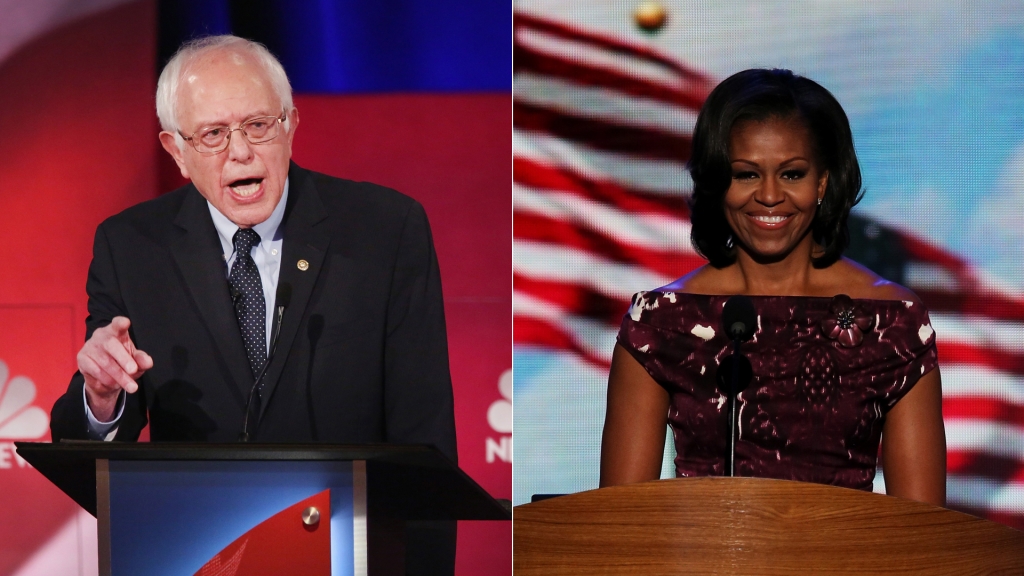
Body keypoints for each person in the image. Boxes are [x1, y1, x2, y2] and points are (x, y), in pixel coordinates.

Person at [49, 35, 457, 573]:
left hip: (351, 553)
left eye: (258, 125)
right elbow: (88, 441)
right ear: (177, 152)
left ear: (290, 124)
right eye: (214, 134)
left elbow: (424, 437)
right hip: (197, 553)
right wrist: (101, 397)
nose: (240, 151)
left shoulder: (384, 230)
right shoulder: (131, 247)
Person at [599, 68, 946, 506]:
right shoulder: (661, 323)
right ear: (718, 181)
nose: (768, 196)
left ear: (822, 182)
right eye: (746, 174)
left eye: (792, 174)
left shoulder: (892, 324)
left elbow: (925, 532)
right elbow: (618, 525)